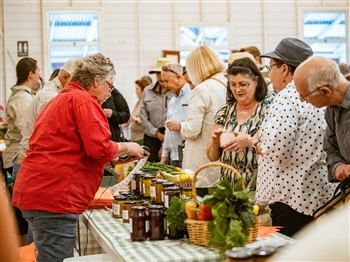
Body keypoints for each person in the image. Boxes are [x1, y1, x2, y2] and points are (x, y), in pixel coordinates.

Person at [12, 53, 145, 262]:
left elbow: (73, 147)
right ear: (95, 81)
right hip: (53, 197)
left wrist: (114, 158)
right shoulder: (83, 100)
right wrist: (128, 145)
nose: (109, 94)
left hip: (43, 193)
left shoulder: (67, 97)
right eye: (109, 86)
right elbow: (99, 148)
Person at [255, 38, 336, 237]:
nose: (269, 72)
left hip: (290, 197)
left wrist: (255, 144)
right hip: (319, 194)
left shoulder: (286, 97)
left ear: (284, 69)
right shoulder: (319, 93)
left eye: (271, 67)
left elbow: (277, 150)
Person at [207, 58, 274, 190]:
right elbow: (212, 157)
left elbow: (277, 149)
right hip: (229, 185)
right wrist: (215, 143)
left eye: (243, 84)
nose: (237, 90)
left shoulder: (270, 107)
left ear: (256, 81)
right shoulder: (225, 110)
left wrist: (249, 141)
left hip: (259, 184)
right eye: (233, 84)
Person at [2, 57, 40, 245]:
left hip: (19, 157)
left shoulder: (26, 95)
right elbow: (30, 130)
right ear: (31, 74)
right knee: (24, 213)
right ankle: (22, 253)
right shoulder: (21, 98)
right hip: (18, 159)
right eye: (38, 70)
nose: (40, 74)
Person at [294, 56, 350, 182]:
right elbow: (330, 149)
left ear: (325, 91)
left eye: (304, 95)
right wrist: (338, 167)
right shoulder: (331, 109)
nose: (302, 100)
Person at [180, 46, 227, 197]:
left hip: (201, 165)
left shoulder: (201, 89)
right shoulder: (228, 84)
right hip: (223, 163)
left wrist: (181, 127)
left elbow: (192, 131)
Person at [140, 58, 173, 162]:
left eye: (162, 72)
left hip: (171, 137)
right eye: (157, 73)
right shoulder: (147, 91)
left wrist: (165, 141)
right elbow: (143, 118)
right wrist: (157, 134)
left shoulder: (175, 91)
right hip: (151, 138)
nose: (160, 76)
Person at [160, 62, 191, 167]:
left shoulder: (192, 93)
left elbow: (198, 124)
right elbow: (167, 128)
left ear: (178, 76)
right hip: (174, 157)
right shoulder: (172, 100)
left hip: (188, 155)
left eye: (167, 81)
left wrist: (180, 126)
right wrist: (165, 154)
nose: (165, 85)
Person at [125, 75, 152, 144]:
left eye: (137, 89)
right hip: (135, 137)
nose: (135, 91)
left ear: (143, 90)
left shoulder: (147, 103)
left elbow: (148, 121)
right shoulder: (139, 101)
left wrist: (135, 119)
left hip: (141, 138)